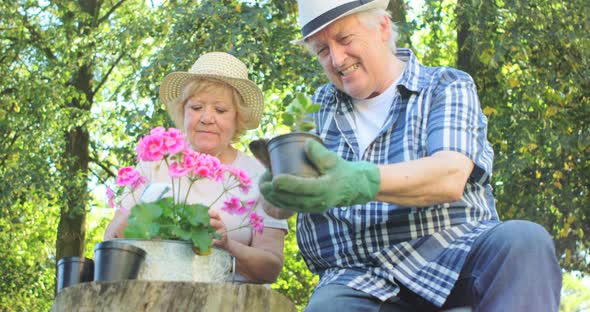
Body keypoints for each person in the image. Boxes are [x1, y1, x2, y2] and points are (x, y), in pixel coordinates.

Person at [259, 0, 562, 311]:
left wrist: (361, 180)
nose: (336, 58)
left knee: (524, 241)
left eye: (344, 39)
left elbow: (450, 175)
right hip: (356, 279)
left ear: (383, 28)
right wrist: (280, 194)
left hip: (453, 254)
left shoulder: (445, 85)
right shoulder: (317, 109)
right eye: (322, 50)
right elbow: (281, 204)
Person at [104, 52, 288, 284]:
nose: (206, 118)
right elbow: (110, 242)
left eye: (220, 110)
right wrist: (144, 215)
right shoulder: (156, 162)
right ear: (183, 111)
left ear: (237, 118)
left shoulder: (261, 175)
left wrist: (226, 245)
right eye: (196, 107)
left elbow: (270, 267)